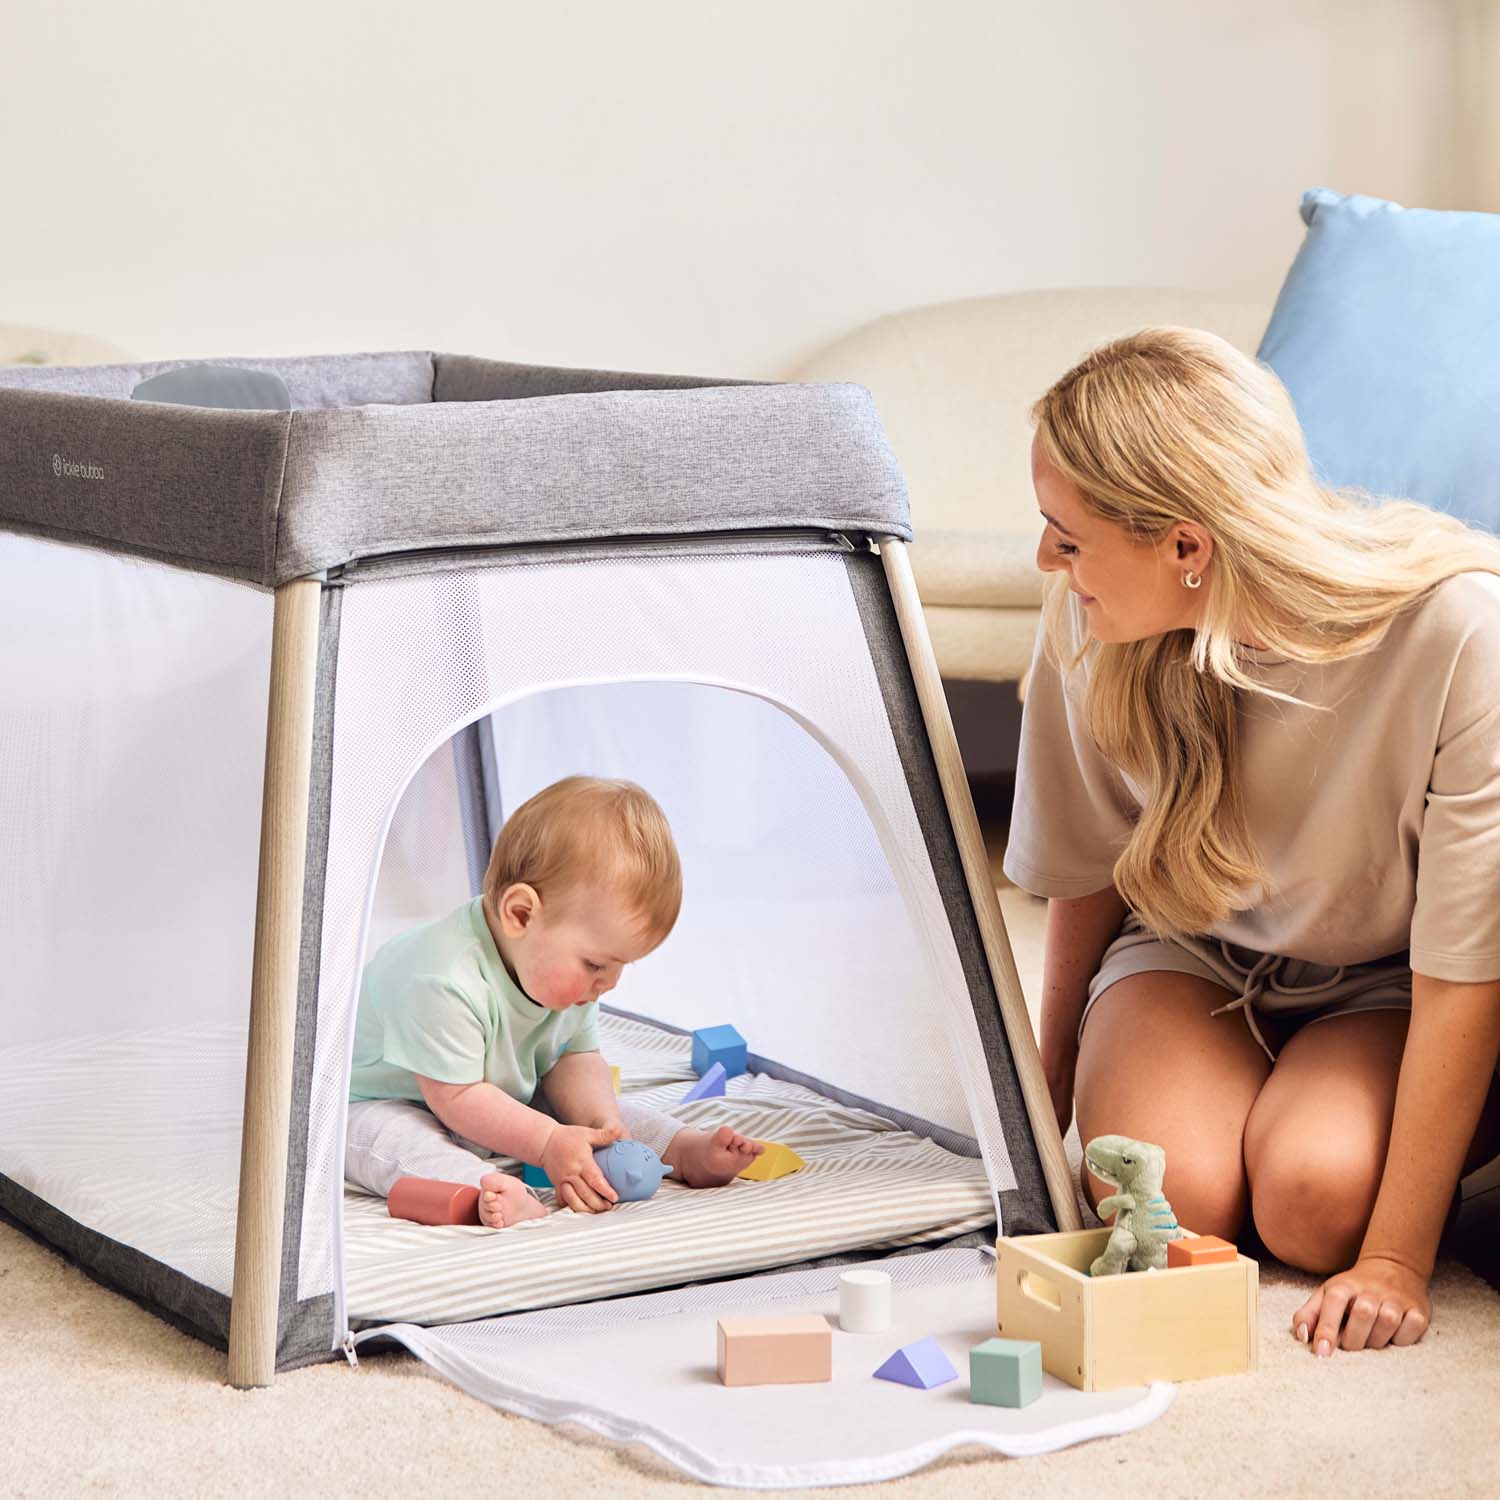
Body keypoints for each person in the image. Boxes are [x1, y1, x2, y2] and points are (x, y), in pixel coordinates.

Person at [1004, 326, 1500, 1358]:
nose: (1047, 557)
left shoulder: (1460, 635)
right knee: (1167, 1201)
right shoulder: (1088, 622)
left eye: (1068, 533)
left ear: (1187, 547)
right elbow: (1087, 873)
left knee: (1316, 1207)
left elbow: (1466, 966)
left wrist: (1397, 1260)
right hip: (1190, 952)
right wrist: (1035, 1126)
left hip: (1390, 978)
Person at [345, 775, 763, 1227]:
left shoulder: (565, 972)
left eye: (622, 965)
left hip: (494, 1093)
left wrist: (601, 1129)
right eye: (597, 964)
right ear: (521, 914)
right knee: (396, 1143)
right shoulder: (442, 978)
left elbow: (576, 1059)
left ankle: (680, 1149)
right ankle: (487, 1190)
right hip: (382, 1100)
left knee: (588, 1113)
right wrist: (548, 1143)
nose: (610, 983)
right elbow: (457, 1096)